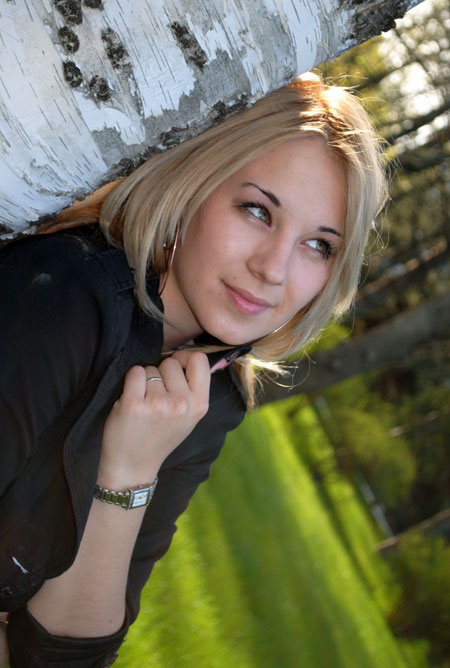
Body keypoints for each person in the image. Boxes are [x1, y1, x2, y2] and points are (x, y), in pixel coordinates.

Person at [0, 72, 387, 667]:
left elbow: (64, 659)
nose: (274, 269)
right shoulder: (65, 296)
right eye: (257, 211)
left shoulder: (214, 395)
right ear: (195, 181)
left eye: (319, 245)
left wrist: (128, 475)